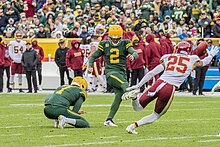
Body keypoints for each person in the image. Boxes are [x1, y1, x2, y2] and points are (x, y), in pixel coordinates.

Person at [122, 41, 219, 134]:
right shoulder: (192, 59)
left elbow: (152, 72)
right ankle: (133, 126)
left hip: (158, 83)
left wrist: (139, 85)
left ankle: (135, 97)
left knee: (138, 107)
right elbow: (204, 62)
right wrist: (210, 55)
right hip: (169, 88)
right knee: (155, 115)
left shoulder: (168, 57)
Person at [88, 25, 138, 126]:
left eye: (117, 38)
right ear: (109, 37)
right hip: (111, 72)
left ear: (121, 37)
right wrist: (90, 66)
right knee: (125, 84)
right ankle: (130, 93)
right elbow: (93, 56)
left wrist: (133, 55)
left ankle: (109, 119)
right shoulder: (104, 44)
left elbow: (135, 52)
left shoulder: (126, 43)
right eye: (113, 38)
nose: (115, 41)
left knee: (118, 97)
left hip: (121, 72)